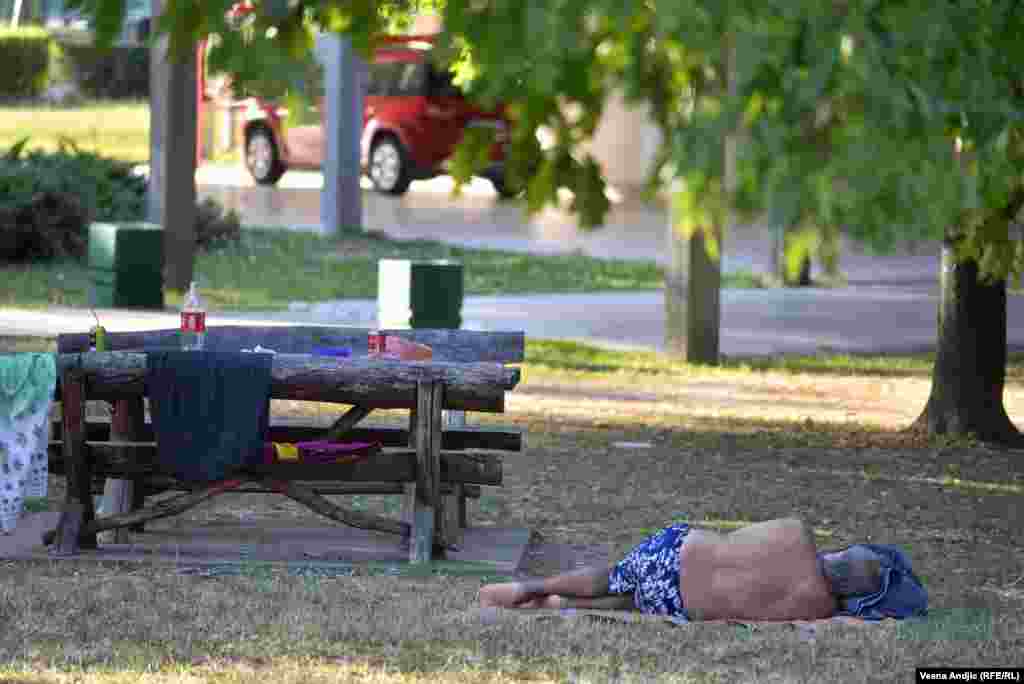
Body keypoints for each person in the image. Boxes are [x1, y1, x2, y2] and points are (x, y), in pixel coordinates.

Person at [479, 517, 927, 622]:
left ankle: (534, 587)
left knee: (617, 574)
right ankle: (555, 603)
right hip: (682, 601)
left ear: (839, 556)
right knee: (637, 600)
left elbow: (748, 536)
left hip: (677, 550)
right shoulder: (820, 606)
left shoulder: (800, 533)